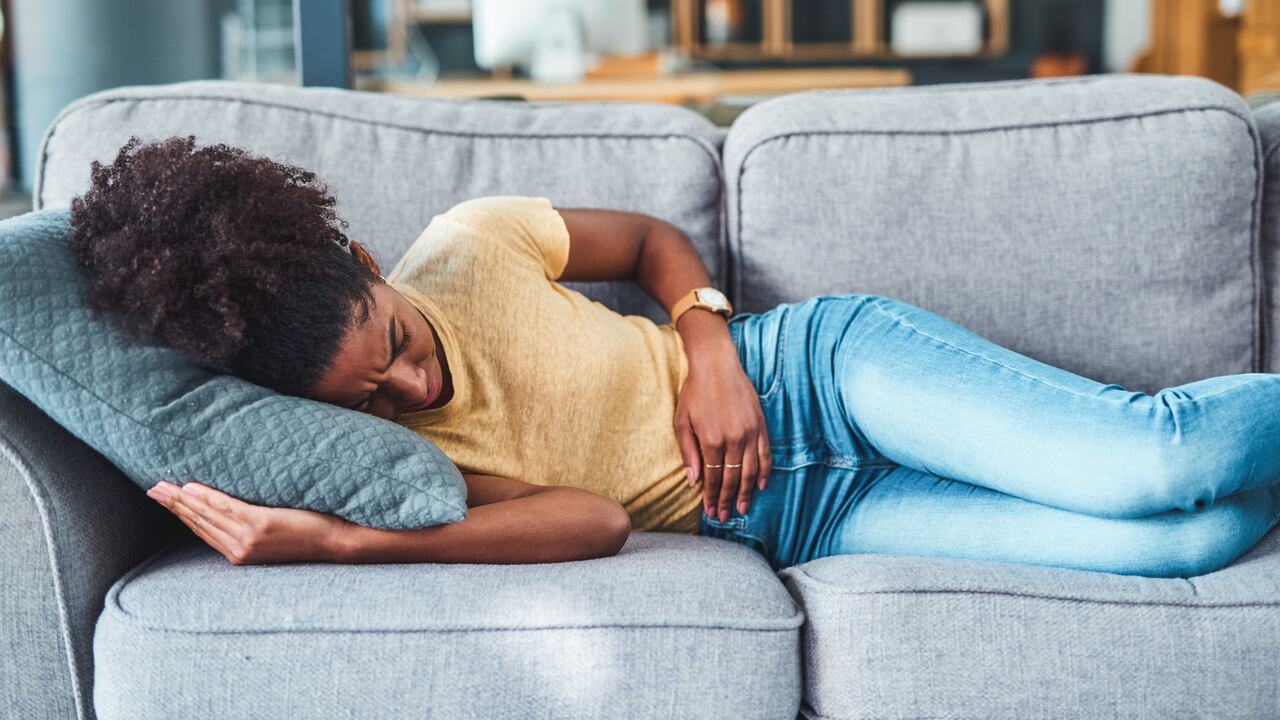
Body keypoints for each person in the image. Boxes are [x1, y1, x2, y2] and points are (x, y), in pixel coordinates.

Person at [74, 136, 1280, 577]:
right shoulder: (374, 458)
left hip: (814, 370)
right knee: (1180, 541)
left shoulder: (473, 243)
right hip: (802, 520)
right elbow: (594, 524)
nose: (412, 388)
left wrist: (707, 348)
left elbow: (651, 240)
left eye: (392, 345)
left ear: (364, 255)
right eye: (375, 396)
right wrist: (339, 542)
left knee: (1147, 468)